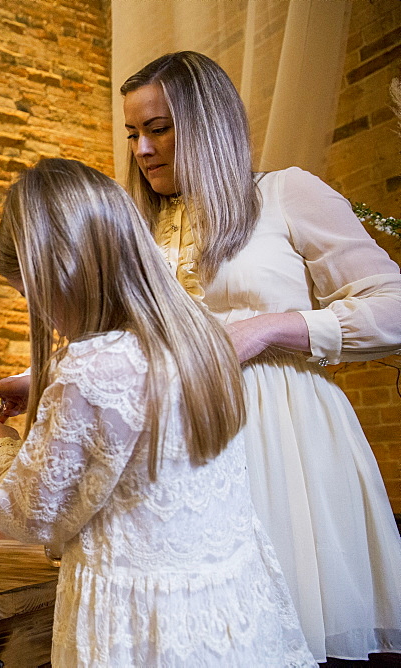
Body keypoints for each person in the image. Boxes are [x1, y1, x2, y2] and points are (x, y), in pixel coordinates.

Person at [0, 158, 314, 667]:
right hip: (228, 611)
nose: (35, 312)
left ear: (61, 272)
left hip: (137, 624)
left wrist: (0, 438)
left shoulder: (90, 370)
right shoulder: (200, 341)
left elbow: (30, 514)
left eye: (28, 294)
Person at [119, 51, 401, 662]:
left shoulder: (285, 194)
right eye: (133, 133)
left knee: (287, 629)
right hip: (183, 453)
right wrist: (25, 382)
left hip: (286, 448)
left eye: (158, 128)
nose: (141, 149)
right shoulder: (140, 234)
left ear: (209, 122)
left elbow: (393, 306)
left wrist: (272, 328)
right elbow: (122, 348)